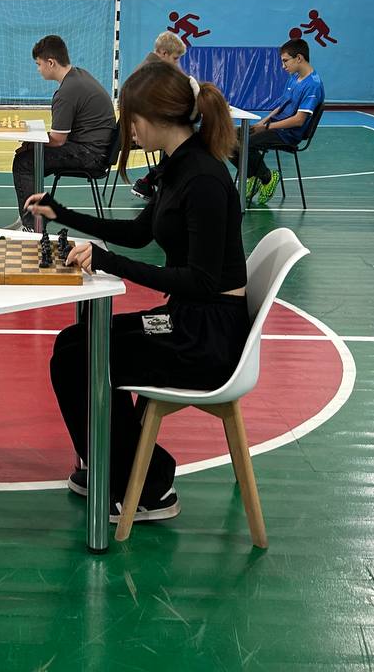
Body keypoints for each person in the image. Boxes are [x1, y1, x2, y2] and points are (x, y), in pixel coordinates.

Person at [24, 60, 248, 525]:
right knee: (73, 343)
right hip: (188, 319)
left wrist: (107, 262)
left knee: (81, 358)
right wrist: (63, 213)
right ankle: (112, 464)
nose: (128, 131)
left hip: (206, 335)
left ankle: (150, 483)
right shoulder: (177, 165)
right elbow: (139, 233)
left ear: (155, 117)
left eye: (131, 120)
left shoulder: (204, 178)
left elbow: (202, 281)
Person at [12, 36, 115, 230]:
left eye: (39, 64)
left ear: (51, 63)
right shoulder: (79, 75)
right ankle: (34, 217)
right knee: (30, 156)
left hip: (91, 155)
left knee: (24, 162)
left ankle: (32, 226)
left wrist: (30, 144)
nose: (38, 69)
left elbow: (58, 140)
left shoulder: (67, 91)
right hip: (97, 149)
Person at [235, 37, 324, 206]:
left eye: (285, 61)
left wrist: (267, 127)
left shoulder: (313, 85)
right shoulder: (294, 78)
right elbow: (281, 106)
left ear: (299, 58)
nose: (283, 66)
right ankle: (254, 177)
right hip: (274, 127)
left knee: (244, 144)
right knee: (228, 139)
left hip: (288, 134)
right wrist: (262, 123)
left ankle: (267, 178)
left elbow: (299, 120)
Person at [132, 32, 189, 198]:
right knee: (184, 142)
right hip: (139, 128)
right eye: (176, 58)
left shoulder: (154, 66)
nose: (177, 63)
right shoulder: (153, 71)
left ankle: (151, 181)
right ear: (164, 53)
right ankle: (150, 180)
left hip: (144, 123)